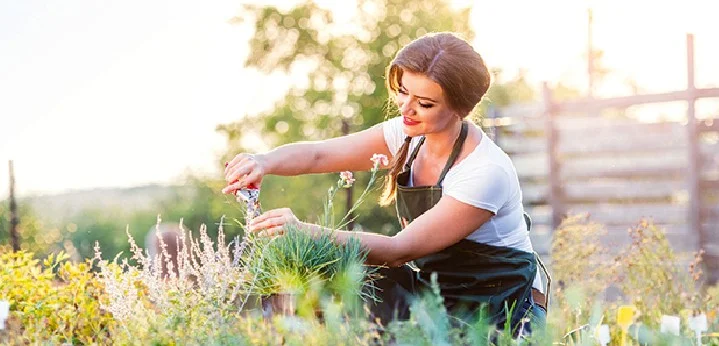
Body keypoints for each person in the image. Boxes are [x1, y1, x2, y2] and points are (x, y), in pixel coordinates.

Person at [221, 32, 548, 335]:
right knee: (347, 277)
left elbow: (397, 251)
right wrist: (263, 161)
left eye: (425, 103)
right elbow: (319, 156)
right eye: (403, 91)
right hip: (435, 292)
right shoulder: (407, 135)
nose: (406, 108)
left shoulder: (485, 172)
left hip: (494, 313)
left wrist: (307, 232)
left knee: (364, 274)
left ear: (461, 108)